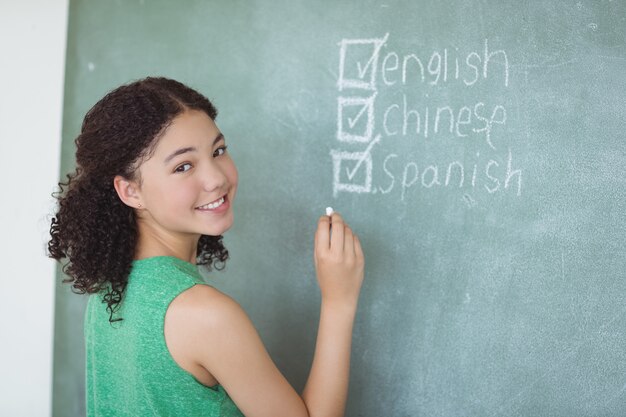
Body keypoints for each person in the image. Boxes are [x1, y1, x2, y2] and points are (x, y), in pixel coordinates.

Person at [47, 76, 365, 417]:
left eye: (218, 151)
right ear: (130, 191)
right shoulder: (205, 315)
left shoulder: (110, 290)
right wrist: (339, 300)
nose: (217, 178)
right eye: (183, 166)